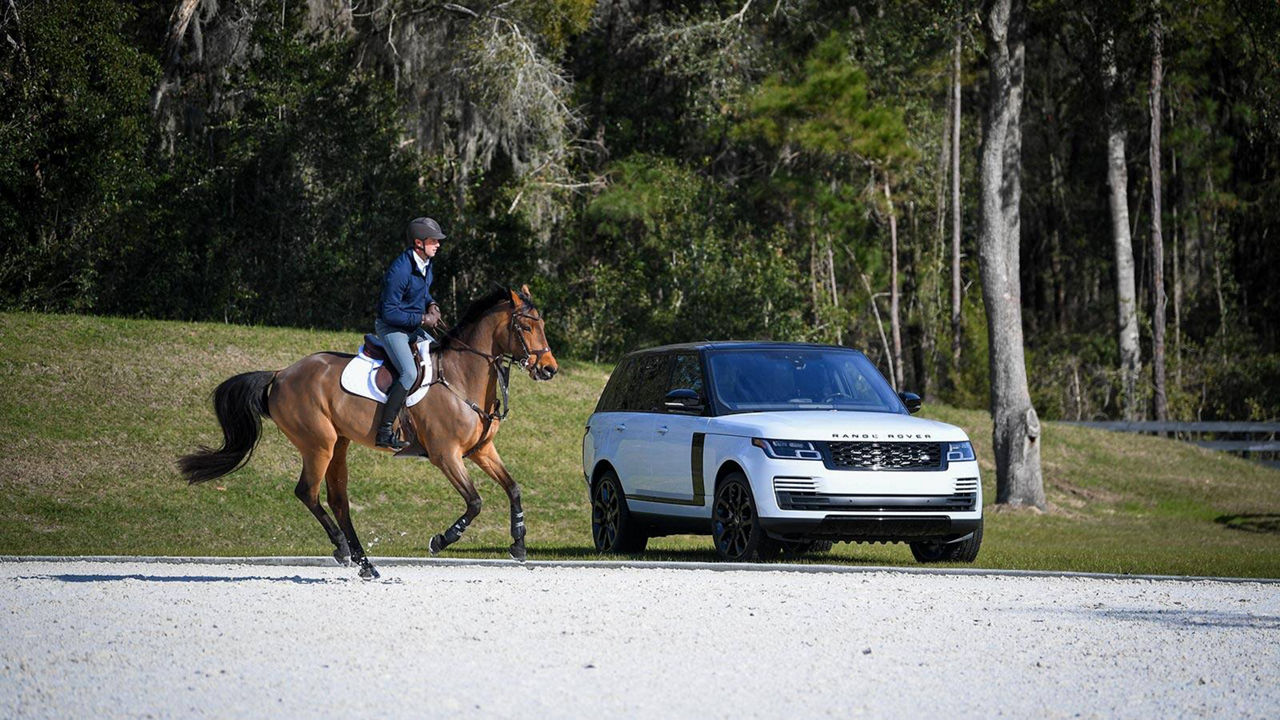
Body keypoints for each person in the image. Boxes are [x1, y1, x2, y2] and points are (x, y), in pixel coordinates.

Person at [374, 216, 445, 449]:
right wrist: (424, 318)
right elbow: (389, 312)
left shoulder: (426, 263)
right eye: (433, 241)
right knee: (408, 373)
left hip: (411, 327)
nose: (438, 245)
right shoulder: (400, 270)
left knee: (440, 356)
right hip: (392, 328)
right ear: (418, 243)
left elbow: (422, 293)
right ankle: (384, 431)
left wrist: (432, 304)